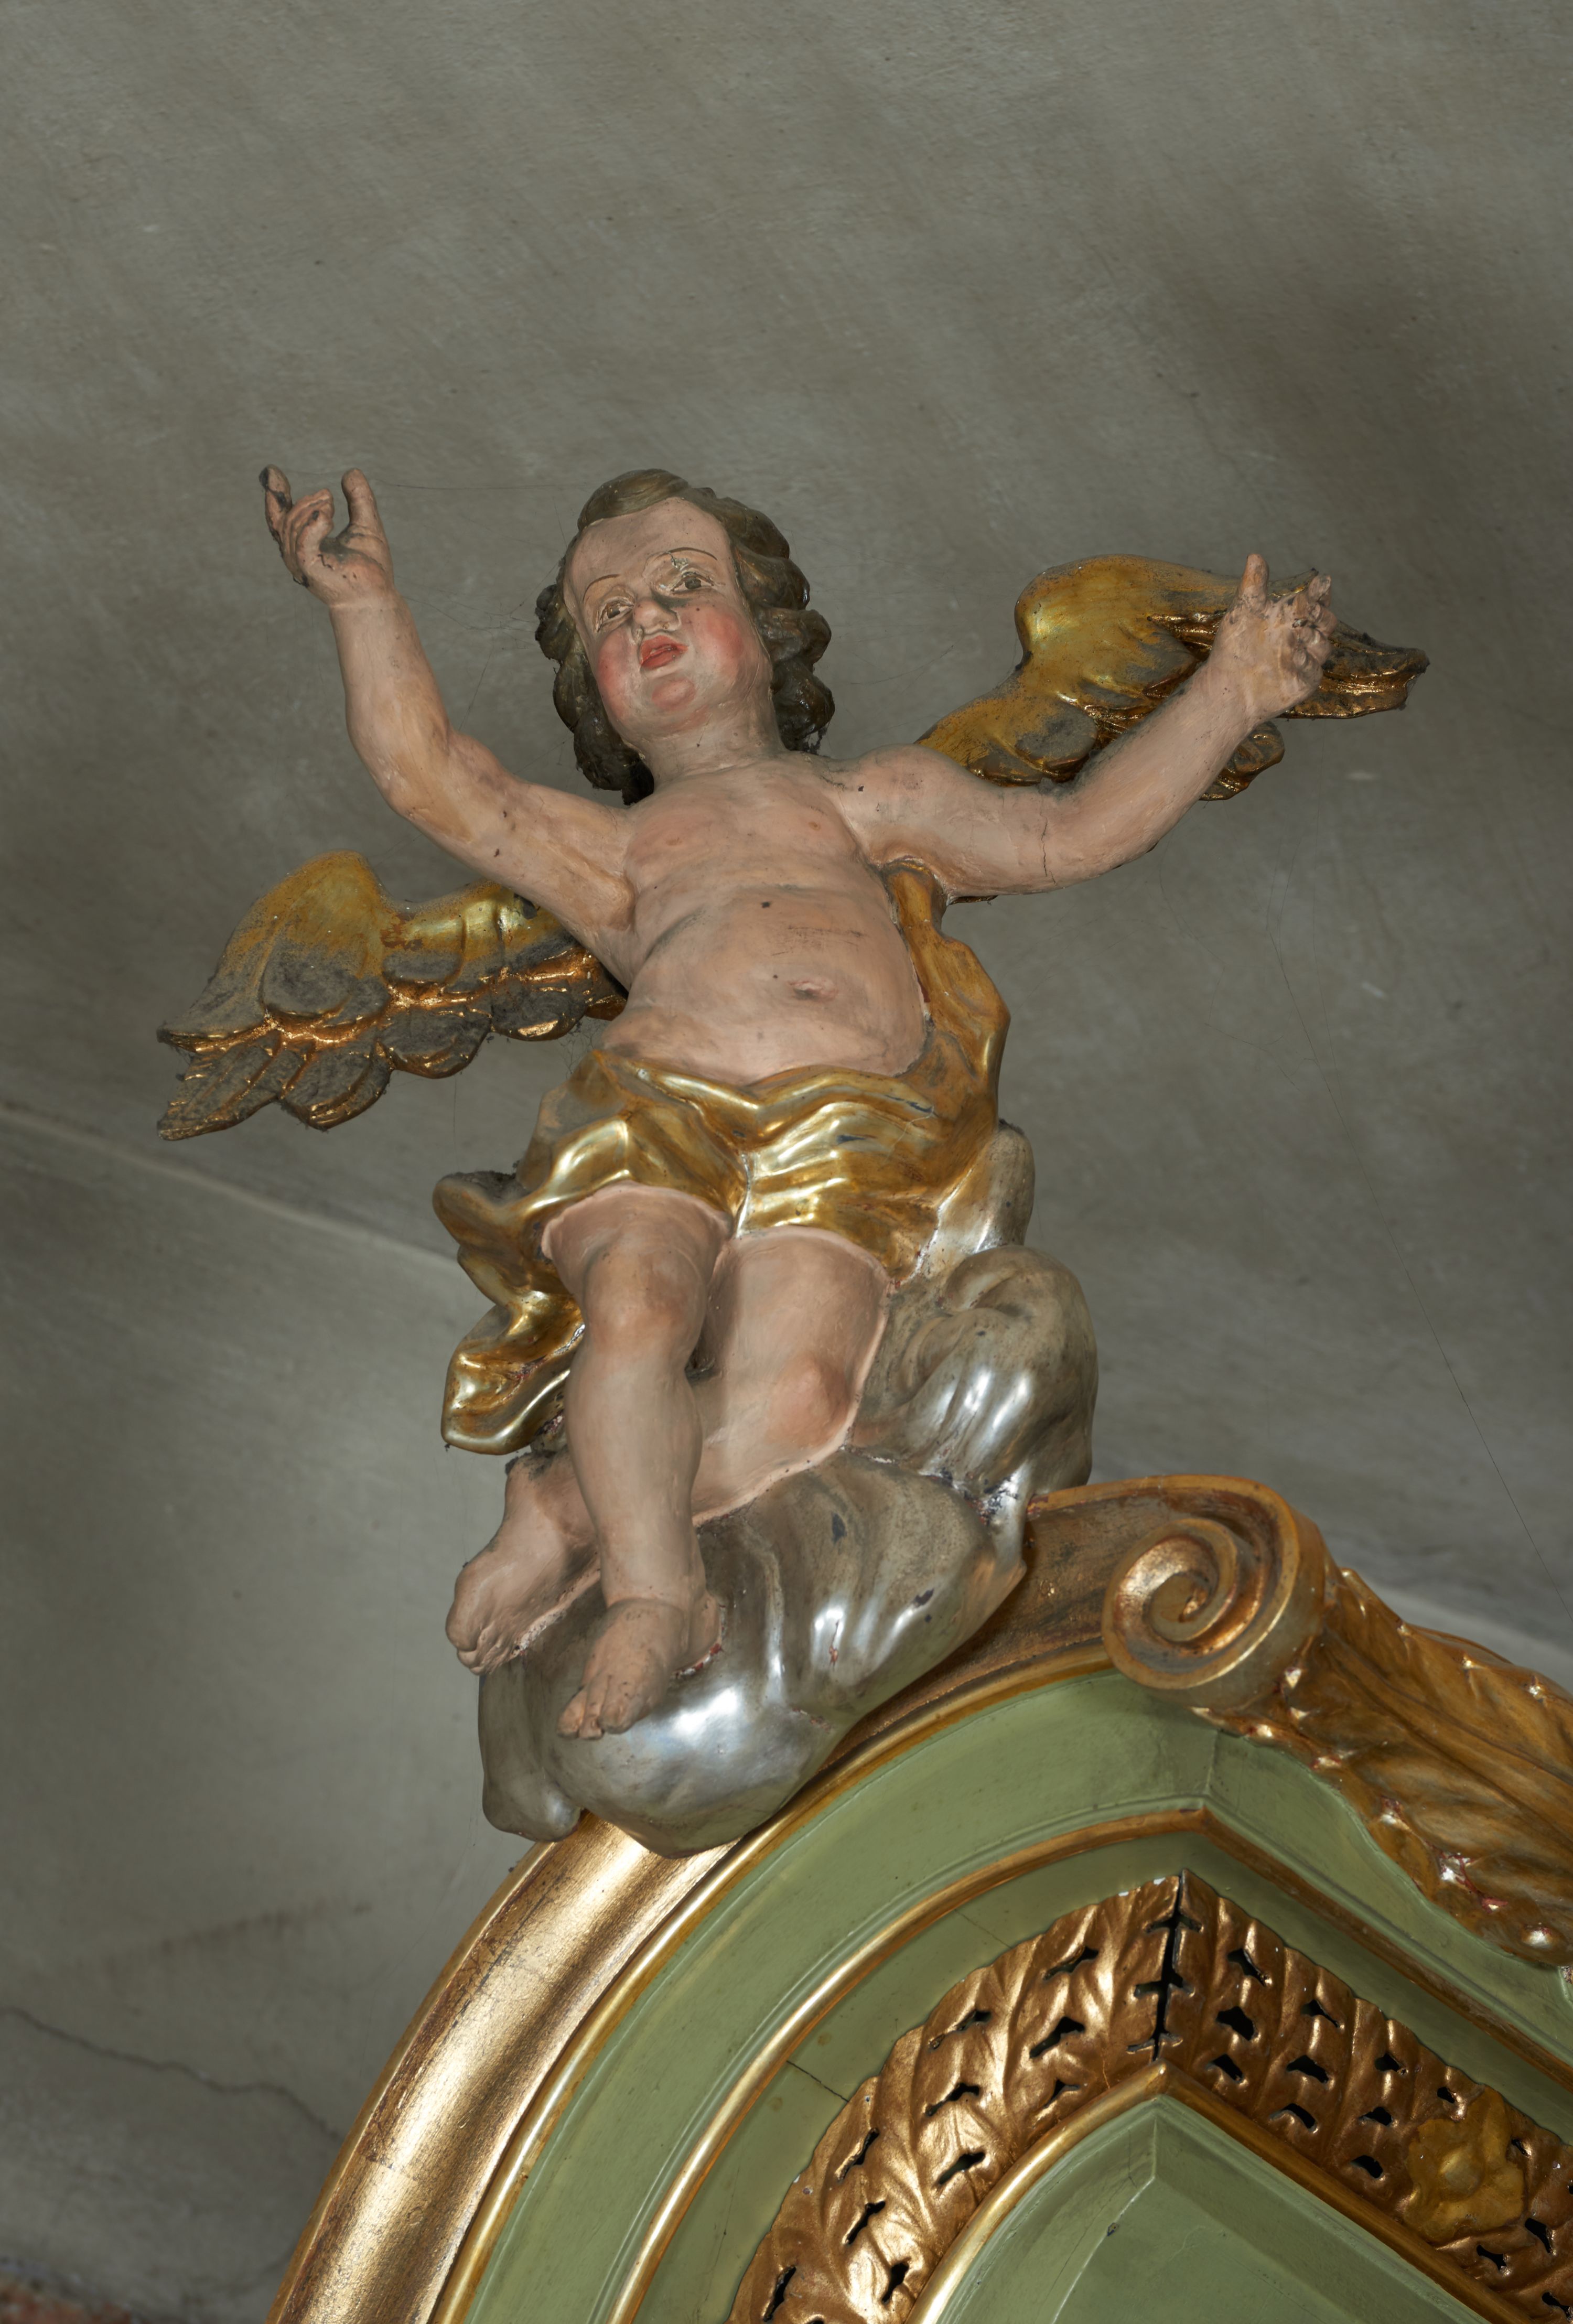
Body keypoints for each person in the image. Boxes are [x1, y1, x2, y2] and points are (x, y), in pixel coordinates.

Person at [261, 462, 1334, 1739]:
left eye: (683, 586)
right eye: (610, 614)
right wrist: (365, 605)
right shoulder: (617, 848)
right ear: (591, 683)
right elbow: (431, 774)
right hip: (663, 1107)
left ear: (766, 628)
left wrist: (1232, 692)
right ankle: (657, 1596)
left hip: (847, 1141)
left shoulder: (873, 798)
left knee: (799, 1404)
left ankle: (565, 1507)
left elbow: (1068, 831)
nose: (648, 621)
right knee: (638, 1306)